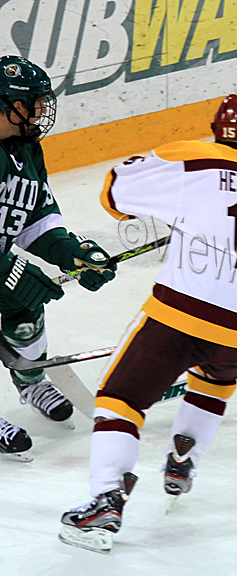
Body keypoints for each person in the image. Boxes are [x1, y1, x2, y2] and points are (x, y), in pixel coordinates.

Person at [58, 94, 237, 553]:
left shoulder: (192, 155)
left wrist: (177, 206)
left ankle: (104, 500)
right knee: (214, 379)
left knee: (120, 398)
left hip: (188, 316)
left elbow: (114, 192)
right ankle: (182, 461)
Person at [0, 55, 116, 461]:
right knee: (16, 283)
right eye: (33, 102)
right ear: (7, 104)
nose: (41, 111)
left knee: (25, 307)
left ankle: (30, 380)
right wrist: (9, 270)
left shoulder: (26, 149)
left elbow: (33, 214)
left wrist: (69, 251)